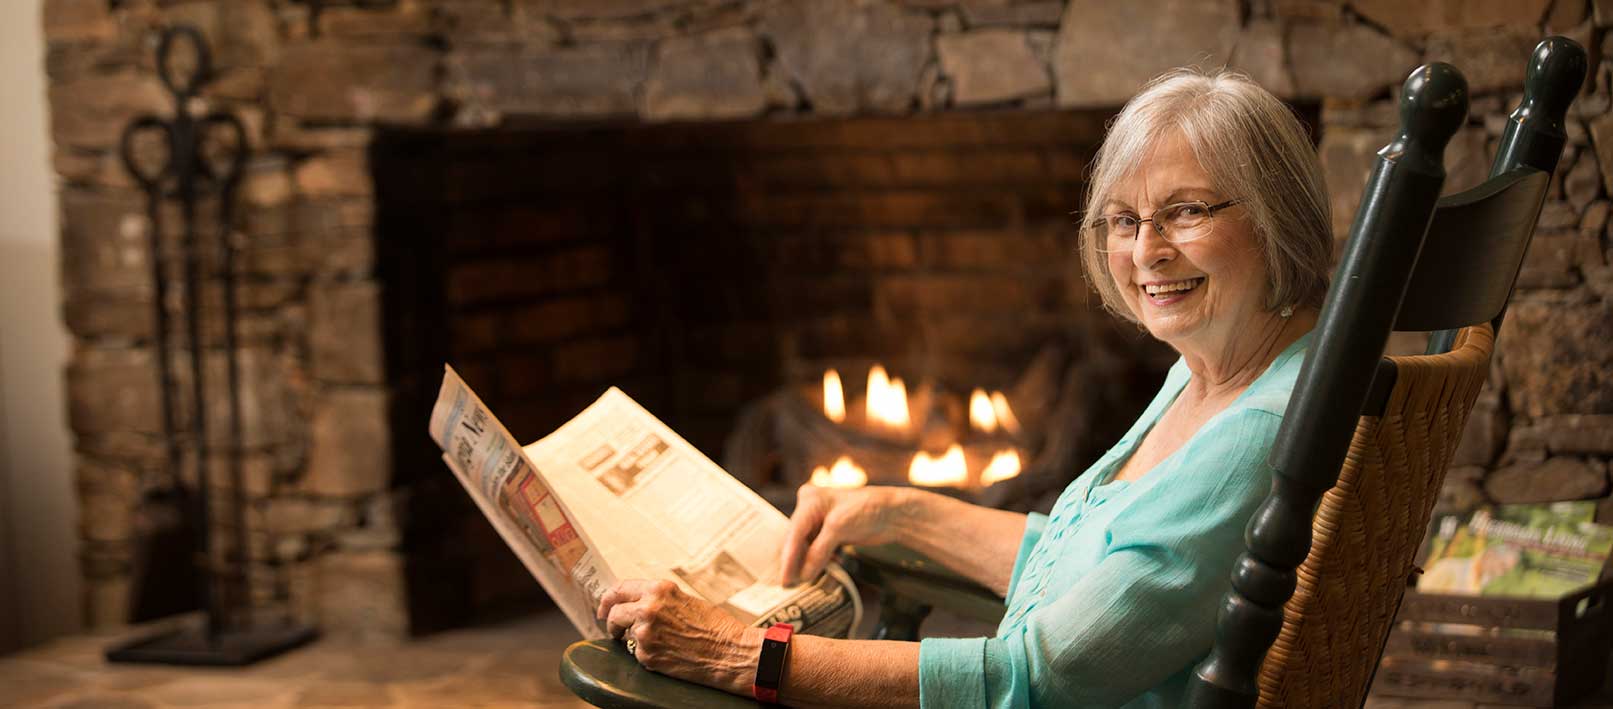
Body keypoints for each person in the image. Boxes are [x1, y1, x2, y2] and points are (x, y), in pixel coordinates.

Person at [595, 67, 1334, 708]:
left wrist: (738, 653)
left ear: (1276, 216)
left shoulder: (1256, 431)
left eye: (1186, 210)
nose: (1144, 251)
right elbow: (1097, 561)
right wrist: (899, 512)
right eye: (1123, 219)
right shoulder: (1222, 374)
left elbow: (1032, 678)